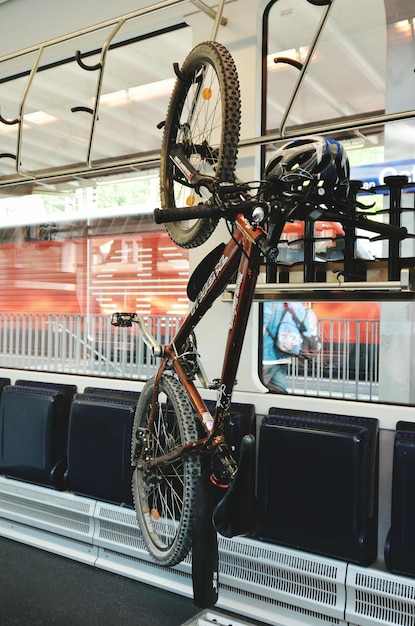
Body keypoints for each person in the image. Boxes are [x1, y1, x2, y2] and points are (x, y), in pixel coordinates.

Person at [262, 301, 311, 394]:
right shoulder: (295, 303)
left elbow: (261, 328)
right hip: (284, 355)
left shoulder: (267, 303)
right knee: (280, 392)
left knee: (256, 391)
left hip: (266, 356)